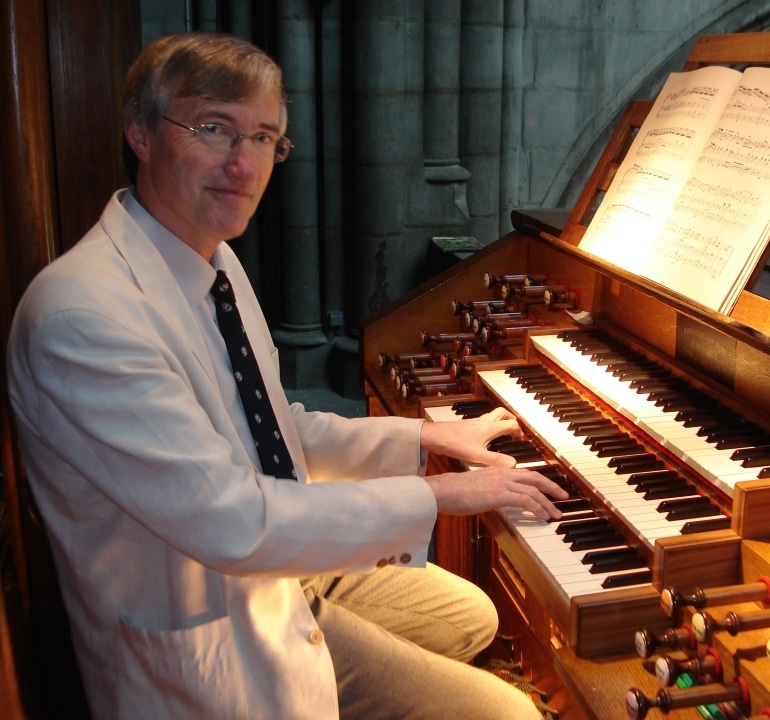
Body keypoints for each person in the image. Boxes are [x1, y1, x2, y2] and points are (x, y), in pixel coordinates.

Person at [6, 32, 567, 720]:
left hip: (277, 579)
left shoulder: (211, 261)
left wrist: (423, 441)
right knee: (505, 714)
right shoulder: (83, 316)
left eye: (266, 137)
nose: (245, 165)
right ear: (142, 134)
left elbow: (272, 427)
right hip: (210, 632)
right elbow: (235, 523)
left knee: (469, 615)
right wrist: (441, 496)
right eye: (215, 129)